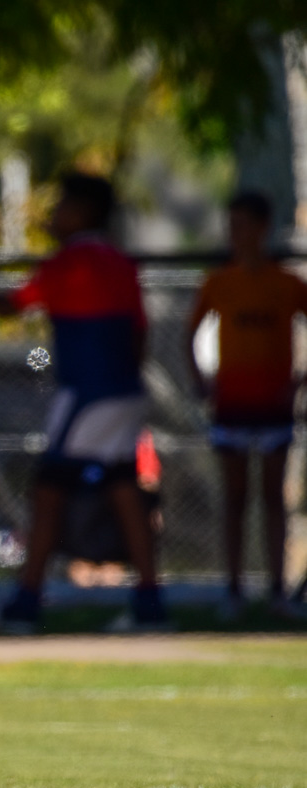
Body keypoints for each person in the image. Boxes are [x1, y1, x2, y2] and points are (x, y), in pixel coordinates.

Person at [0, 172, 164, 632]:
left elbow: (11, 306)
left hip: (86, 394)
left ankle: (28, 601)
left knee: (50, 492)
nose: (55, 215)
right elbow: (139, 332)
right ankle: (150, 600)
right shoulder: (120, 262)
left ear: (86, 211)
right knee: (124, 489)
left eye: (64, 204)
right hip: (124, 391)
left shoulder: (70, 263)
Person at [184, 191, 307, 620]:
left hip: (273, 406)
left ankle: (278, 591)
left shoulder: (287, 284)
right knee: (234, 498)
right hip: (232, 404)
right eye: (231, 224)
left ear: (262, 228)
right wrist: (204, 385)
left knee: (274, 497)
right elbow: (190, 336)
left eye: (243, 224)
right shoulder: (219, 282)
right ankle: (232, 591)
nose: (235, 234)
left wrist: (297, 384)